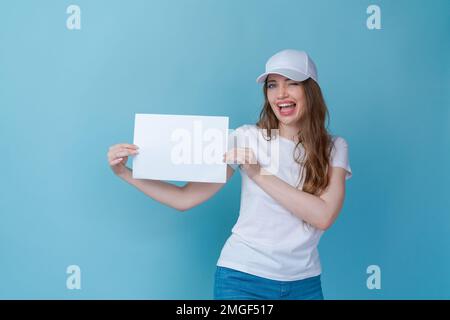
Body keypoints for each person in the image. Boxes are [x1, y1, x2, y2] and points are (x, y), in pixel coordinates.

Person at [107, 49, 352, 300]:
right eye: (272, 85)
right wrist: (125, 173)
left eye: (292, 84)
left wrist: (259, 173)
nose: (281, 94)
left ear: (310, 90)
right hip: (242, 279)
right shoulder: (245, 138)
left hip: (305, 283)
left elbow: (323, 216)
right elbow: (184, 198)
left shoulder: (334, 147)